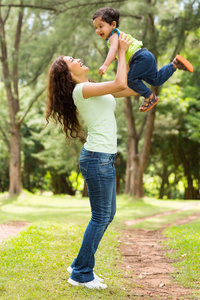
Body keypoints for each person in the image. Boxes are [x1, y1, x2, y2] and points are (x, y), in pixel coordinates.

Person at [46, 34, 137, 289]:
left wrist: (127, 57)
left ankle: (78, 264)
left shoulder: (92, 86)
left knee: (108, 215)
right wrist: (119, 49)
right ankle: (81, 274)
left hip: (103, 158)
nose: (78, 59)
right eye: (72, 60)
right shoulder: (81, 89)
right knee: (100, 216)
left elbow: (125, 86)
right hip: (96, 158)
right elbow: (119, 81)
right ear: (68, 73)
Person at [92, 7, 194, 113]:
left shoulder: (113, 36)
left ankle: (150, 97)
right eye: (95, 28)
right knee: (156, 80)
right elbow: (117, 52)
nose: (98, 30)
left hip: (139, 58)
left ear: (113, 24)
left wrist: (105, 65)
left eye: (100, 26)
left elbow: (113, 49)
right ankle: (174, 64)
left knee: (131, 79)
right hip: (146, 56)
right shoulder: (117, 36)